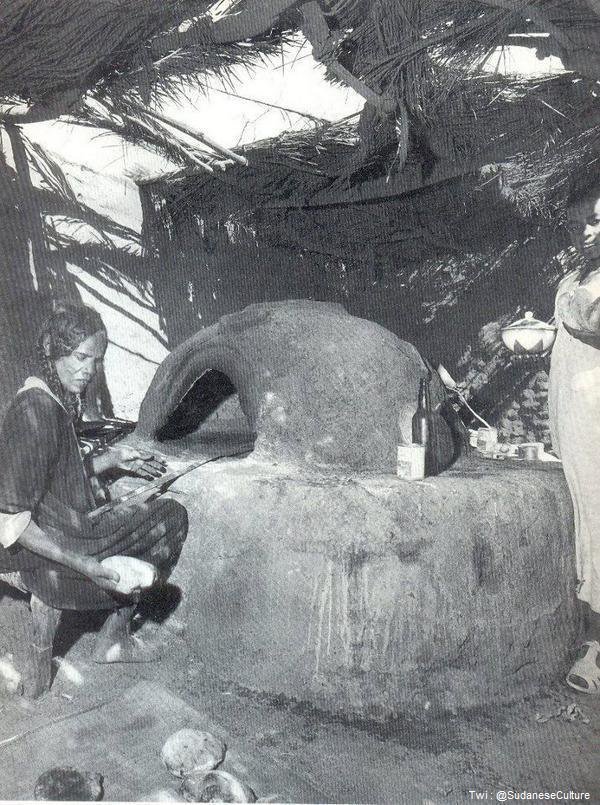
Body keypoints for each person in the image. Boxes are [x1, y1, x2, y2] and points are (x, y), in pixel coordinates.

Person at [0, 302, 188, 664]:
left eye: (96, 360)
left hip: (63, 530)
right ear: (52, 349)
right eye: (81, 357)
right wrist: (81, 563)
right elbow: (10, 518)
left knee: (145, 511)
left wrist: (114, 459)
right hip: (37, 551)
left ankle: (111, 630)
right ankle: (114, 636)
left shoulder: (52, 399)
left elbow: (58, 476)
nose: (89, 370)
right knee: (171, 518)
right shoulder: (35, 411)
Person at [549, 183, 600, 693]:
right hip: (576, 417)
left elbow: (588, 317)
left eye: (595, 220)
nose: (584, 232)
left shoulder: (582, 284)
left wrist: (569, 296)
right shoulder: (577, 276)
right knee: (586, 520)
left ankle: (598, 653)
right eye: (576, 223)